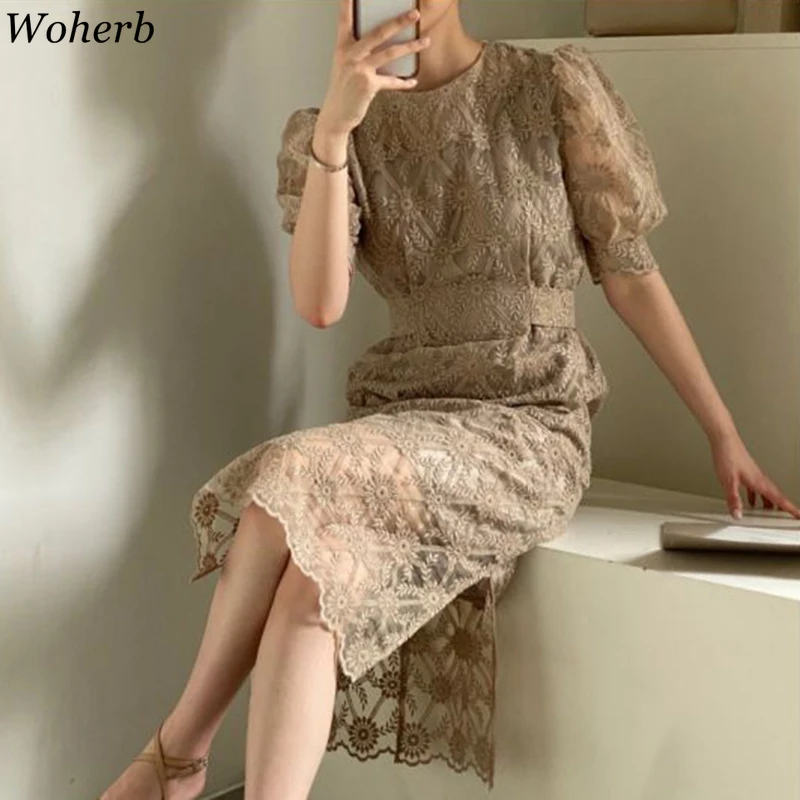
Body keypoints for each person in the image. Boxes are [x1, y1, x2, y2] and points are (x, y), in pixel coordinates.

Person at [99, 1, 800, 798]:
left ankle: (177, 754)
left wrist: (722, 431)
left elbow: (631, 275)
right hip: (409, 415)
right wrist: (336, 132)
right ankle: (187, 765)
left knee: (284, 483)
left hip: (530, 423)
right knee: (310, 579)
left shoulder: (549, 88)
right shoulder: (333, 128)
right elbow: (321, 304)